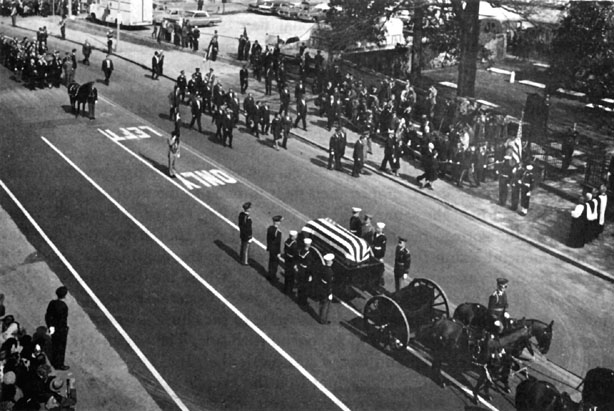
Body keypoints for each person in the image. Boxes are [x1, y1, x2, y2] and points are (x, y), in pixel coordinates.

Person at [45, 286, 70, 370]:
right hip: (60, 330)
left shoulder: (52, 303)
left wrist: (50, 326)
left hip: (53, 328)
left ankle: (54, 360)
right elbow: (62, 320)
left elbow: (48, 316)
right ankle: (59, 364)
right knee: (61, 347)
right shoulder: (64, 307)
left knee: (55, 344)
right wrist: (65, 329)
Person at [296, 238, 315, 306]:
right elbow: (309, 266)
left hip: (300, 269)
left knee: (300, 284)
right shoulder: (308, 255)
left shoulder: (301, 251)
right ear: (308, 245)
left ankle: (299, 298)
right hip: (305, 272)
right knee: (305, 287)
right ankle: (303, 301)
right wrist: (310, 275)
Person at [318, 254, 335, 325]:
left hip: (321, 287)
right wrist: (330, 293)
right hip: (326, 290)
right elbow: (329, 284)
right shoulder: (330, 272)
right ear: (330, 262)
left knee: (321, 304)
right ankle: (323, 320)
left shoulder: (323, 268)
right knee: (325, 305)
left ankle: (321, 317)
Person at [266, 215, 283, 282]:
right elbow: (277, 243)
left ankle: (270, 274)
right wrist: (278, 252)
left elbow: (268, 239)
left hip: (270, 248)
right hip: (275, 250)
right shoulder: (278, 232)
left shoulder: (270, 228)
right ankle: (272, 276)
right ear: (277, 222)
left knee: (271, 262)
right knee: (275, 264)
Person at [283, 230, 298, 296]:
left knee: (287, 275)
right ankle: (289, 291)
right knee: (291, 277)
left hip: (287, 260)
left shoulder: (287, 241)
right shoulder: (294, 244)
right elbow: (295, 255)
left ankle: (286, 289)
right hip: (291, 261)